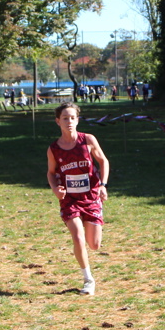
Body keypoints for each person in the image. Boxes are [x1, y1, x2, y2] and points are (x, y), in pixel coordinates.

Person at [46, 101, 110, 296]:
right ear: (58, 121)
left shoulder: (87, 140)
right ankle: (88, 279)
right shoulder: (54, 149)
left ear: (78, 120)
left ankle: (93, 221)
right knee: (78, 237)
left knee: (94, 244)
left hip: (91, 196)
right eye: (65, 118)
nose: (69, 121)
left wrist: (103, 185)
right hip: (69, 199)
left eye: (73, 118)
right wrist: (55, 188)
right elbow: (51, 173)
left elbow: (103, 161)